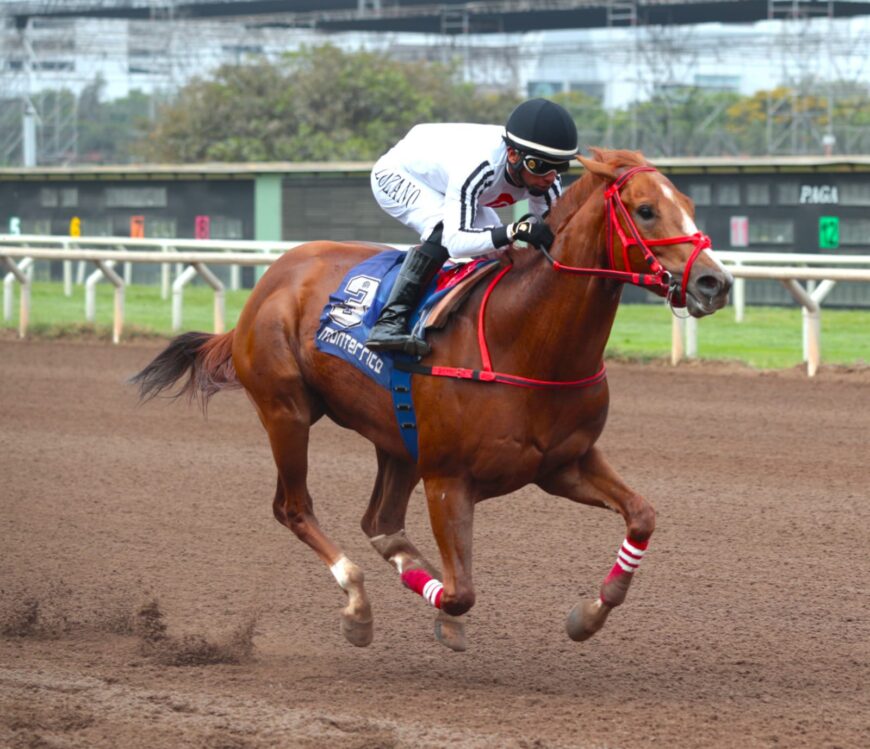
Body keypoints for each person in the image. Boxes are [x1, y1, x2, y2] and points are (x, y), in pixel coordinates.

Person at [364, 97, 579, 356]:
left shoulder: (547, 179)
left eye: (559, 167)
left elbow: (552, 240)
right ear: (513, 154)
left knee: (501, 252)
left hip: (447, 179)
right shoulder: (481, 165)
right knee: (443, 231)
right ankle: (389, 322)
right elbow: (456, 242)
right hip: (398, 173)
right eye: (540, 166)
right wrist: (514, 230)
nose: (550, 178)